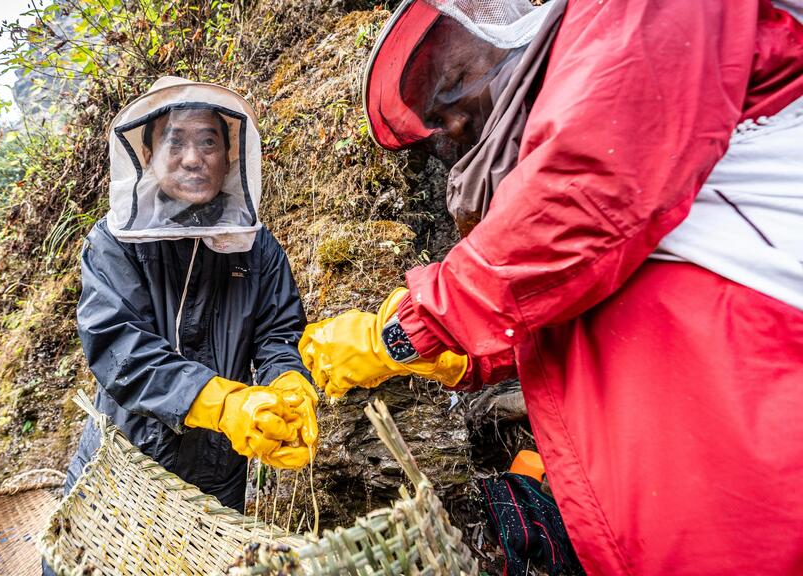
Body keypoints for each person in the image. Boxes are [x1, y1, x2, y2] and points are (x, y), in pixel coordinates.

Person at [299, 1, 803, 574]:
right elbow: (579, 296)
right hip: (673, 515)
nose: (455, 123)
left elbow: (585, 192)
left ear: (509, 24)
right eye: (435, 124)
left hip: (760, 463)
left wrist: (404, 333)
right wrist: (460, 361)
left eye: (456, 82)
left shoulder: (626, 21)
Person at [62, 76, 318, 516]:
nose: (193, 158)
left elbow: (278, 333)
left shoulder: (257, 246)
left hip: (219, 471)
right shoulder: (114, 242)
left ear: (229, 155)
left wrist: (288, 384)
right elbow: (119, 348)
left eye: (208, 142)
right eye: (175, 143)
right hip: (127, 461)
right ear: (148, 154)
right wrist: (221, 403)